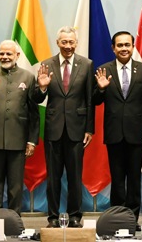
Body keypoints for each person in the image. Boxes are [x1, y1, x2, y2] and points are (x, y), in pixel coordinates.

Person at [93, 31, 142, 228]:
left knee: (134, 178)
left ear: (133, 46)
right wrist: (101, 88)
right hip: (114, 133)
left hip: (137, 132)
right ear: (113, 48)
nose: (123, 49)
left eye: (127, 45)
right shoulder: (104, 70)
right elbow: (94, 100)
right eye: (119, 45)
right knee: (117, 179)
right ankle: (118, 218)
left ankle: (132, 220)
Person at [0, 40, 47, 214]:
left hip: (18, 139)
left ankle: (14, 219)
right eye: (2, 53)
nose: (5, 56)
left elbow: (33, 113)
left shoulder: (28, 77)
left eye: (9, 53)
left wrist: (32, 140)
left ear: (17, 55)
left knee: (16, 184)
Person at [39, 26, 94, 228]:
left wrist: (89, 129)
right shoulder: (46, 64)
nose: (68, 46)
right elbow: (38, 97)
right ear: (58, 43)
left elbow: (89, 98)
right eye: (64, 42)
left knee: (74, 176)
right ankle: (52, 217)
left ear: (76, 43)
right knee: (53, 178)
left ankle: (75, 216)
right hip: (53, 129)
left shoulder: (86, 64)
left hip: (77, 129)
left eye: (71, 42)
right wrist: (42, 87)